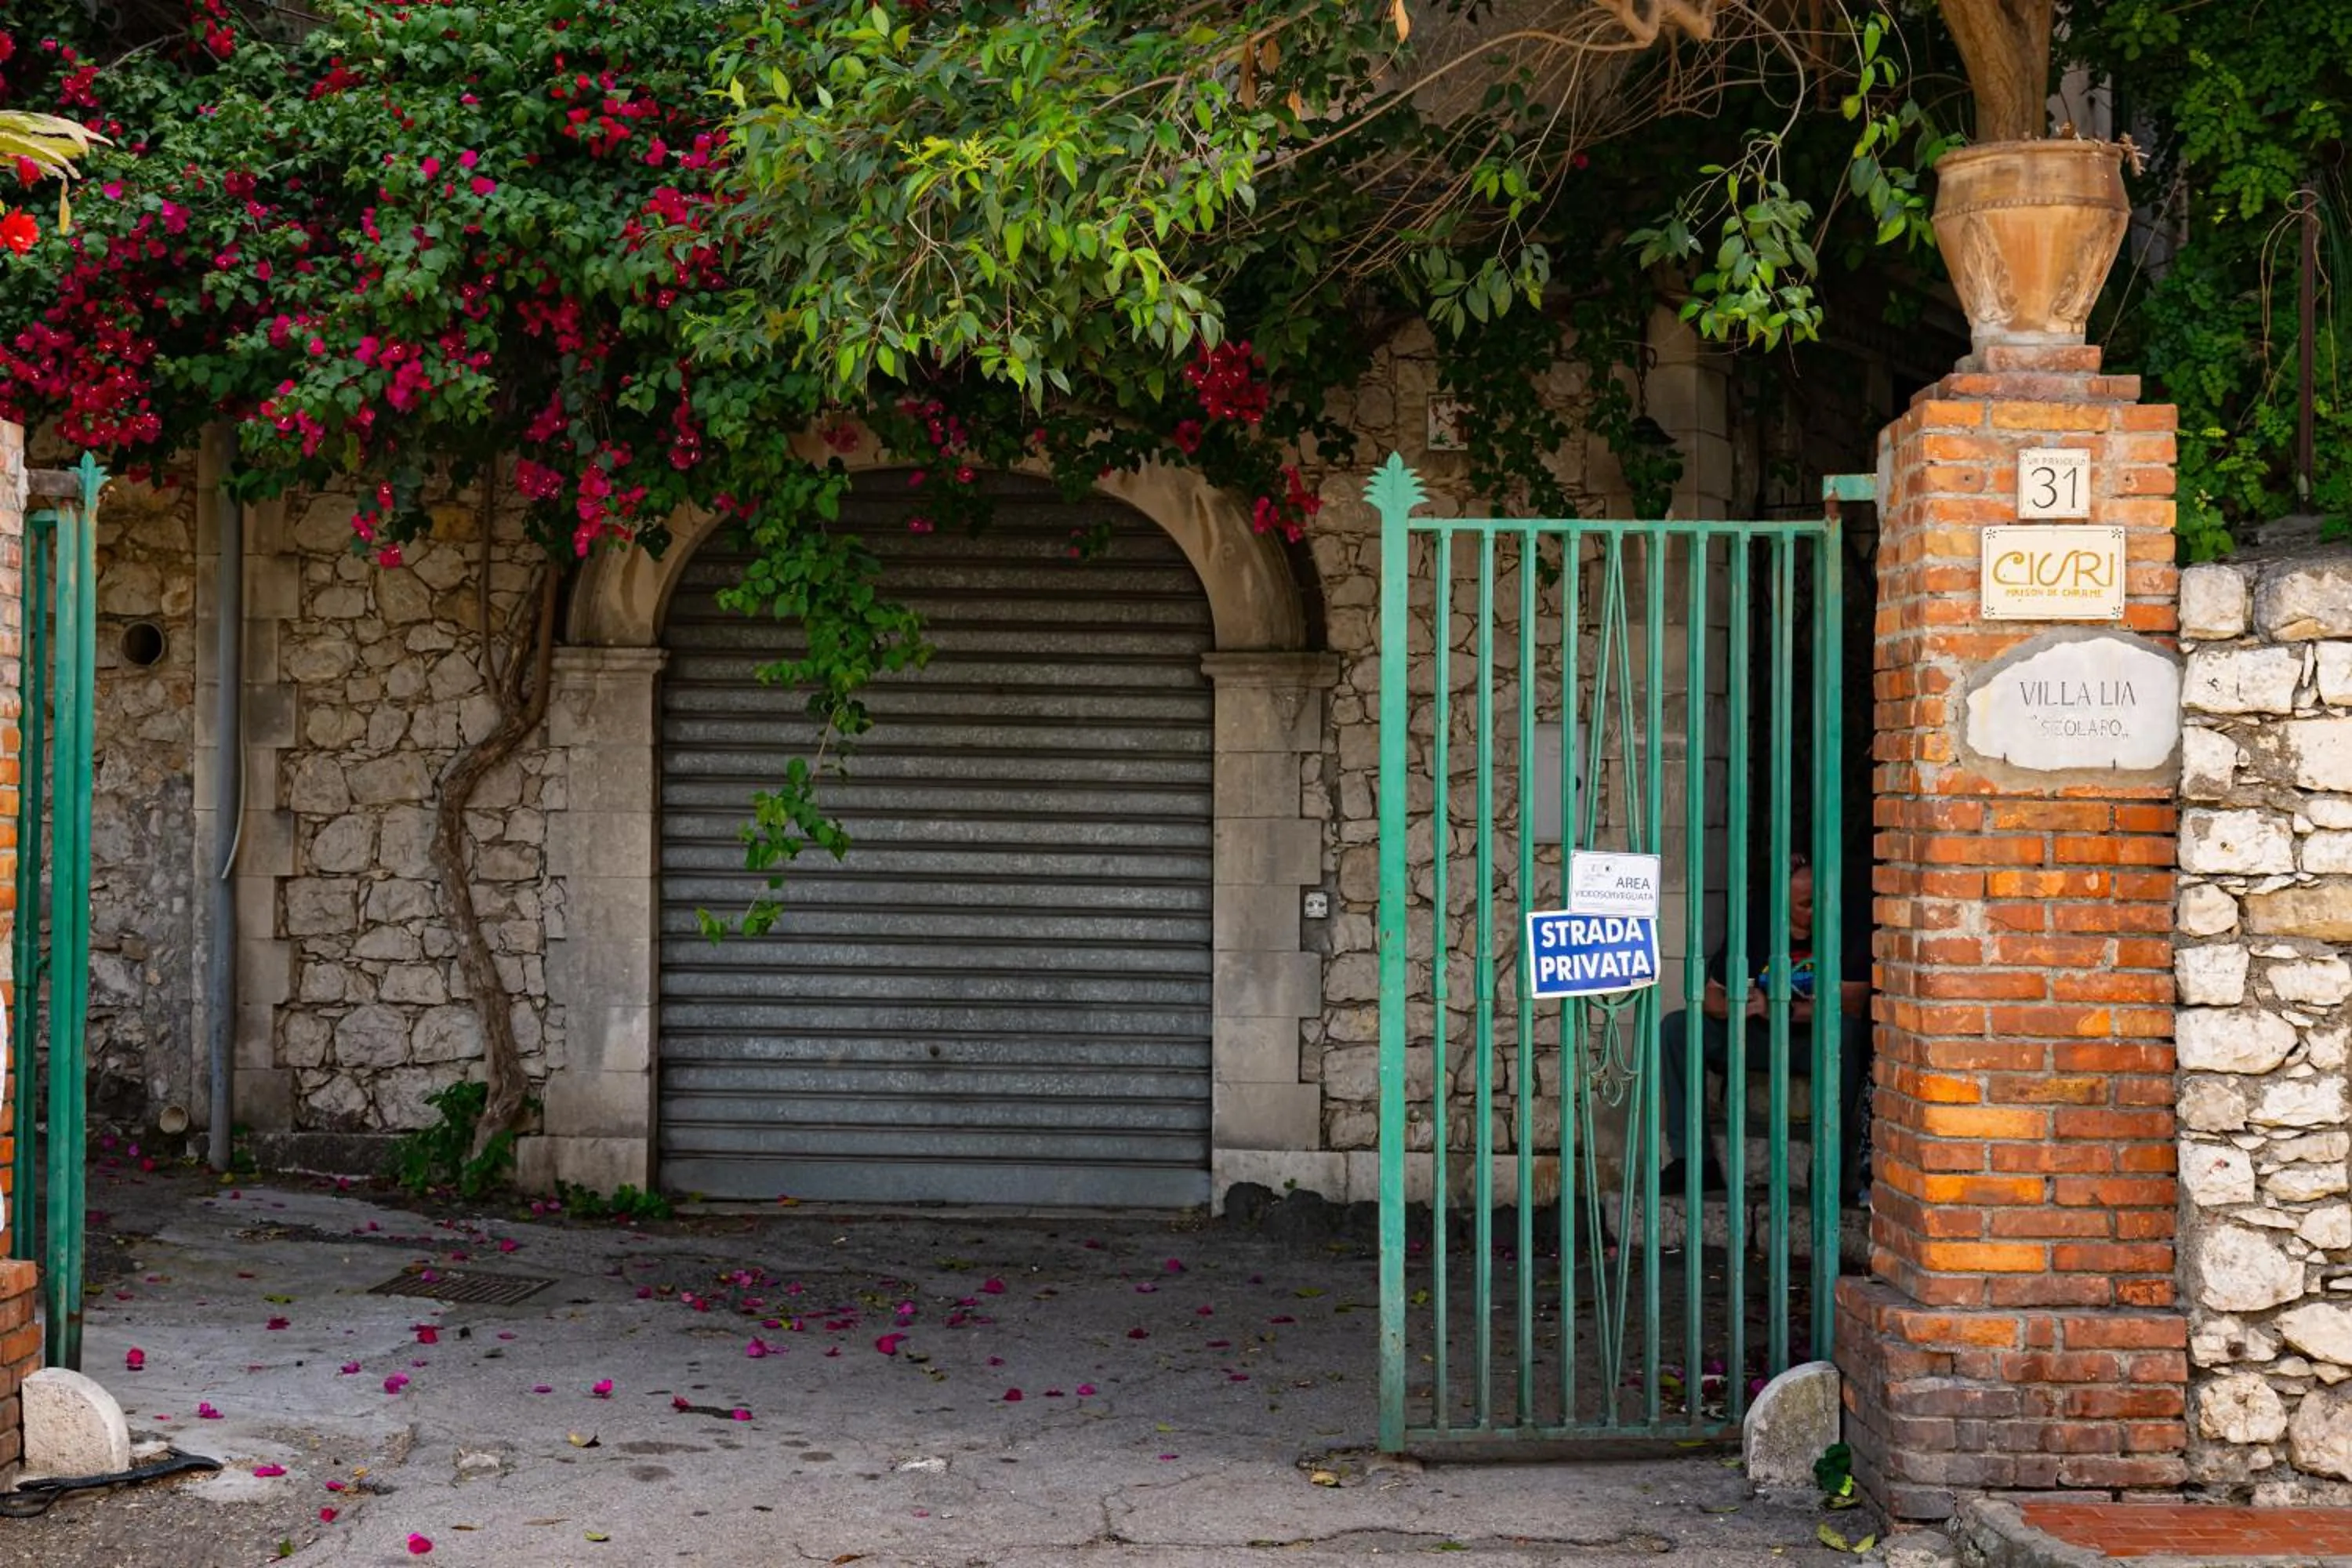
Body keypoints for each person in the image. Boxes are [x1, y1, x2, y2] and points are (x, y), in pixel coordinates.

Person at [1656, 854, 1871, 1205]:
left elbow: (1850, 1007)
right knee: (1679, 1028)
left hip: (1811, 1040)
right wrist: (1736, 1007)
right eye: (1805, 904)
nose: (1816, 910)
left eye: (1821, 899)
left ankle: (1828, 1169)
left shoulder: (1847, 926)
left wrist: (1784, 1010)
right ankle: (1692, 1160)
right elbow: (1711, 996)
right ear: (1783, 905)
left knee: (1846, 1035)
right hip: (1754, 1036)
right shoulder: (1756, 926)